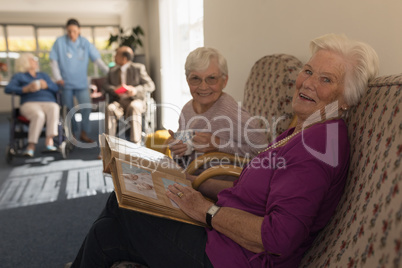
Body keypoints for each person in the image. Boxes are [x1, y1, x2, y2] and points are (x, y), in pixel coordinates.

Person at [68, 33, 379, 268]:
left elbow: (278, 238)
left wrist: (205, 208)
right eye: (308, 71)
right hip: (221, 233)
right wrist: (189, 184)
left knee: (123, 205)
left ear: (346, 99)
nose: (308, 83)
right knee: (110, 225)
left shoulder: (316, 150)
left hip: (231, 257)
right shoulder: (301, 131)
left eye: (326, 79)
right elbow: (254, 185)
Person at [167, 47, 268, 168]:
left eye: (211, 78)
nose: (203, 87)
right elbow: (183, 158)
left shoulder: (231, 113)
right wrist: (177, 150)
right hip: (190, 174)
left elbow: (264, 152)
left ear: (224, 81)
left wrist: (219, 144)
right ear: (187, 80)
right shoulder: (187, 109)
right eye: (195, 79)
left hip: (218, 182)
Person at [50, 18, 109, 143]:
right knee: (68, 109)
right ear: (66, 30)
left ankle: (84, 133)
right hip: (65, 83)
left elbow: (97, 60)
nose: (72, 34)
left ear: (79, 30)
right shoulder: (59, 42)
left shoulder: (85, 43)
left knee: (86, 107)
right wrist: (58, 78)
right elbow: (53, 62)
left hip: (81, 82)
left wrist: (109, 72)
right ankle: (73, 134)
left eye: (74, 31)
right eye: (69, 31)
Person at [5, 53, 60, 157]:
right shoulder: (19, 76)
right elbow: (8, 89)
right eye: (32, 60)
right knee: (39, 115)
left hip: (48, 102)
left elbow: (56, 88)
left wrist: (47, 85)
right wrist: (25, 89)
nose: (36, 61)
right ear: (25, 62)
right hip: (29, 103)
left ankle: (49, 140)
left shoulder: (43, 75)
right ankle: (31, 146)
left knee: (55, 107)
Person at [103, 46, 155, 144]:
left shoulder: (138, 68)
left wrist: (135, 90)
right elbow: (105, 85)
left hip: (136, 100)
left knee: (134, 106)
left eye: (116, 55)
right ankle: (109, 146)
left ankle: (135, 144)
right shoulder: (112, 70)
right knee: (110, 108)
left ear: (124, 58)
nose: (114, 57)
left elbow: (150, 85)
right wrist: (114, 89)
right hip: (119, 102)